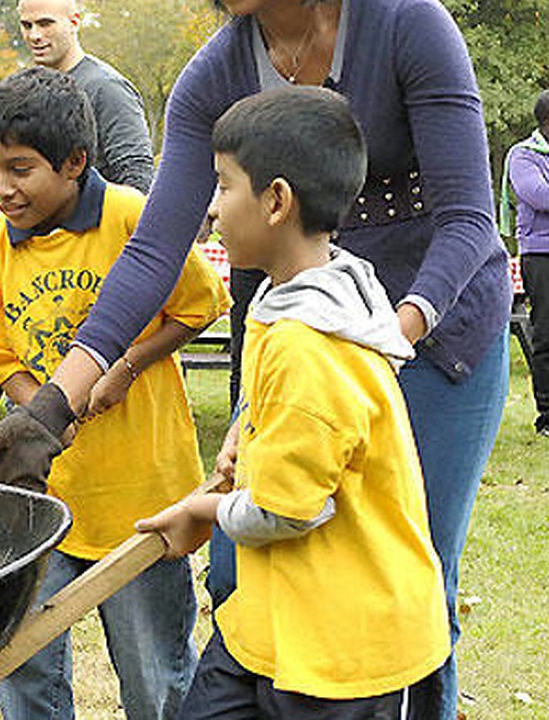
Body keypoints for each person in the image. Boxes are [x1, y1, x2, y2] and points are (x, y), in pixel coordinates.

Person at [0, 0, 511, 718]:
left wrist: (383, 339)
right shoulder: (217, 71)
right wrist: (53, 405)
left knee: (408, 577)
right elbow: (153, 250)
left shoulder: (406, 22)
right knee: (242, 559)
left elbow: (466, 222)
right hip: (290, 344)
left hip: (433, 337)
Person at [140, 86, 448, 717]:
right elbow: (279, 410)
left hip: (346, 653)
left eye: (225, 187)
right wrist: (244, 433)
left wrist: (206, 511)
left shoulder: (311, 344)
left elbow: (290, 511)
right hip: (272, 622)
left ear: (276, 200)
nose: (214, 209)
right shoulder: (299, 297)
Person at [0, 67, 230, 720]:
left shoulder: (136, 219)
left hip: (142, 497)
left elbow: (200, 305)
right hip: (44, 499)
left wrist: (130, 364)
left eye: (20, 169)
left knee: (153, 673)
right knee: (23, 663)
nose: (2, 188)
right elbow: (0, 359)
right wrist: (44, 411)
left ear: (76, 160)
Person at [18, 0, 155, 192]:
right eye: (27, 25)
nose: (34, 35)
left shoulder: (107, 88)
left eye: (45, 23)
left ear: (74, 22)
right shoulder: (25, 88)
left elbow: (136, 176)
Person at [501, 90, 549, 436]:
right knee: (546, 333)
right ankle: (547, 414)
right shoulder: (524, 155)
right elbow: (538, 195)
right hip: (541, 253)